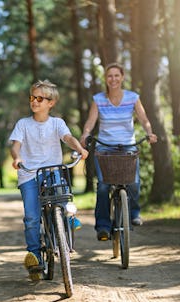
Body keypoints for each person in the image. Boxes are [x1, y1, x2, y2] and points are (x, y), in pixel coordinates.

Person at [10, 80, 88, 281]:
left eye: (39, 98)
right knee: (32, 218)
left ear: (50, 103)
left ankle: (68, 217)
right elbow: (15, 145)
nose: (34, 102)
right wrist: (16, 157)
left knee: (61, 192)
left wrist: (79, 149)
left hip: (52, 170)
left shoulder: (57, 123)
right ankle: (35, 256)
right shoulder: (23, 124)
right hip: (29, 174)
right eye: (32, 98)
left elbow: (68, 138)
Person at [80, 63, 158, 241]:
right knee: (103, 186)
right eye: (110, 76)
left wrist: (149, 132)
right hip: (105, 148)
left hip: (127, 146)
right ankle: (103, 227)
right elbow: (91, 122)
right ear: (105, 79)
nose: (113, 79)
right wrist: (85, 134)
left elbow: (144, 119)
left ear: (122, 77)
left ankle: (134, 214)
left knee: (133, 183)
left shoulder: (132, 97)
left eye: (117, 75)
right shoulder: (98, 99)